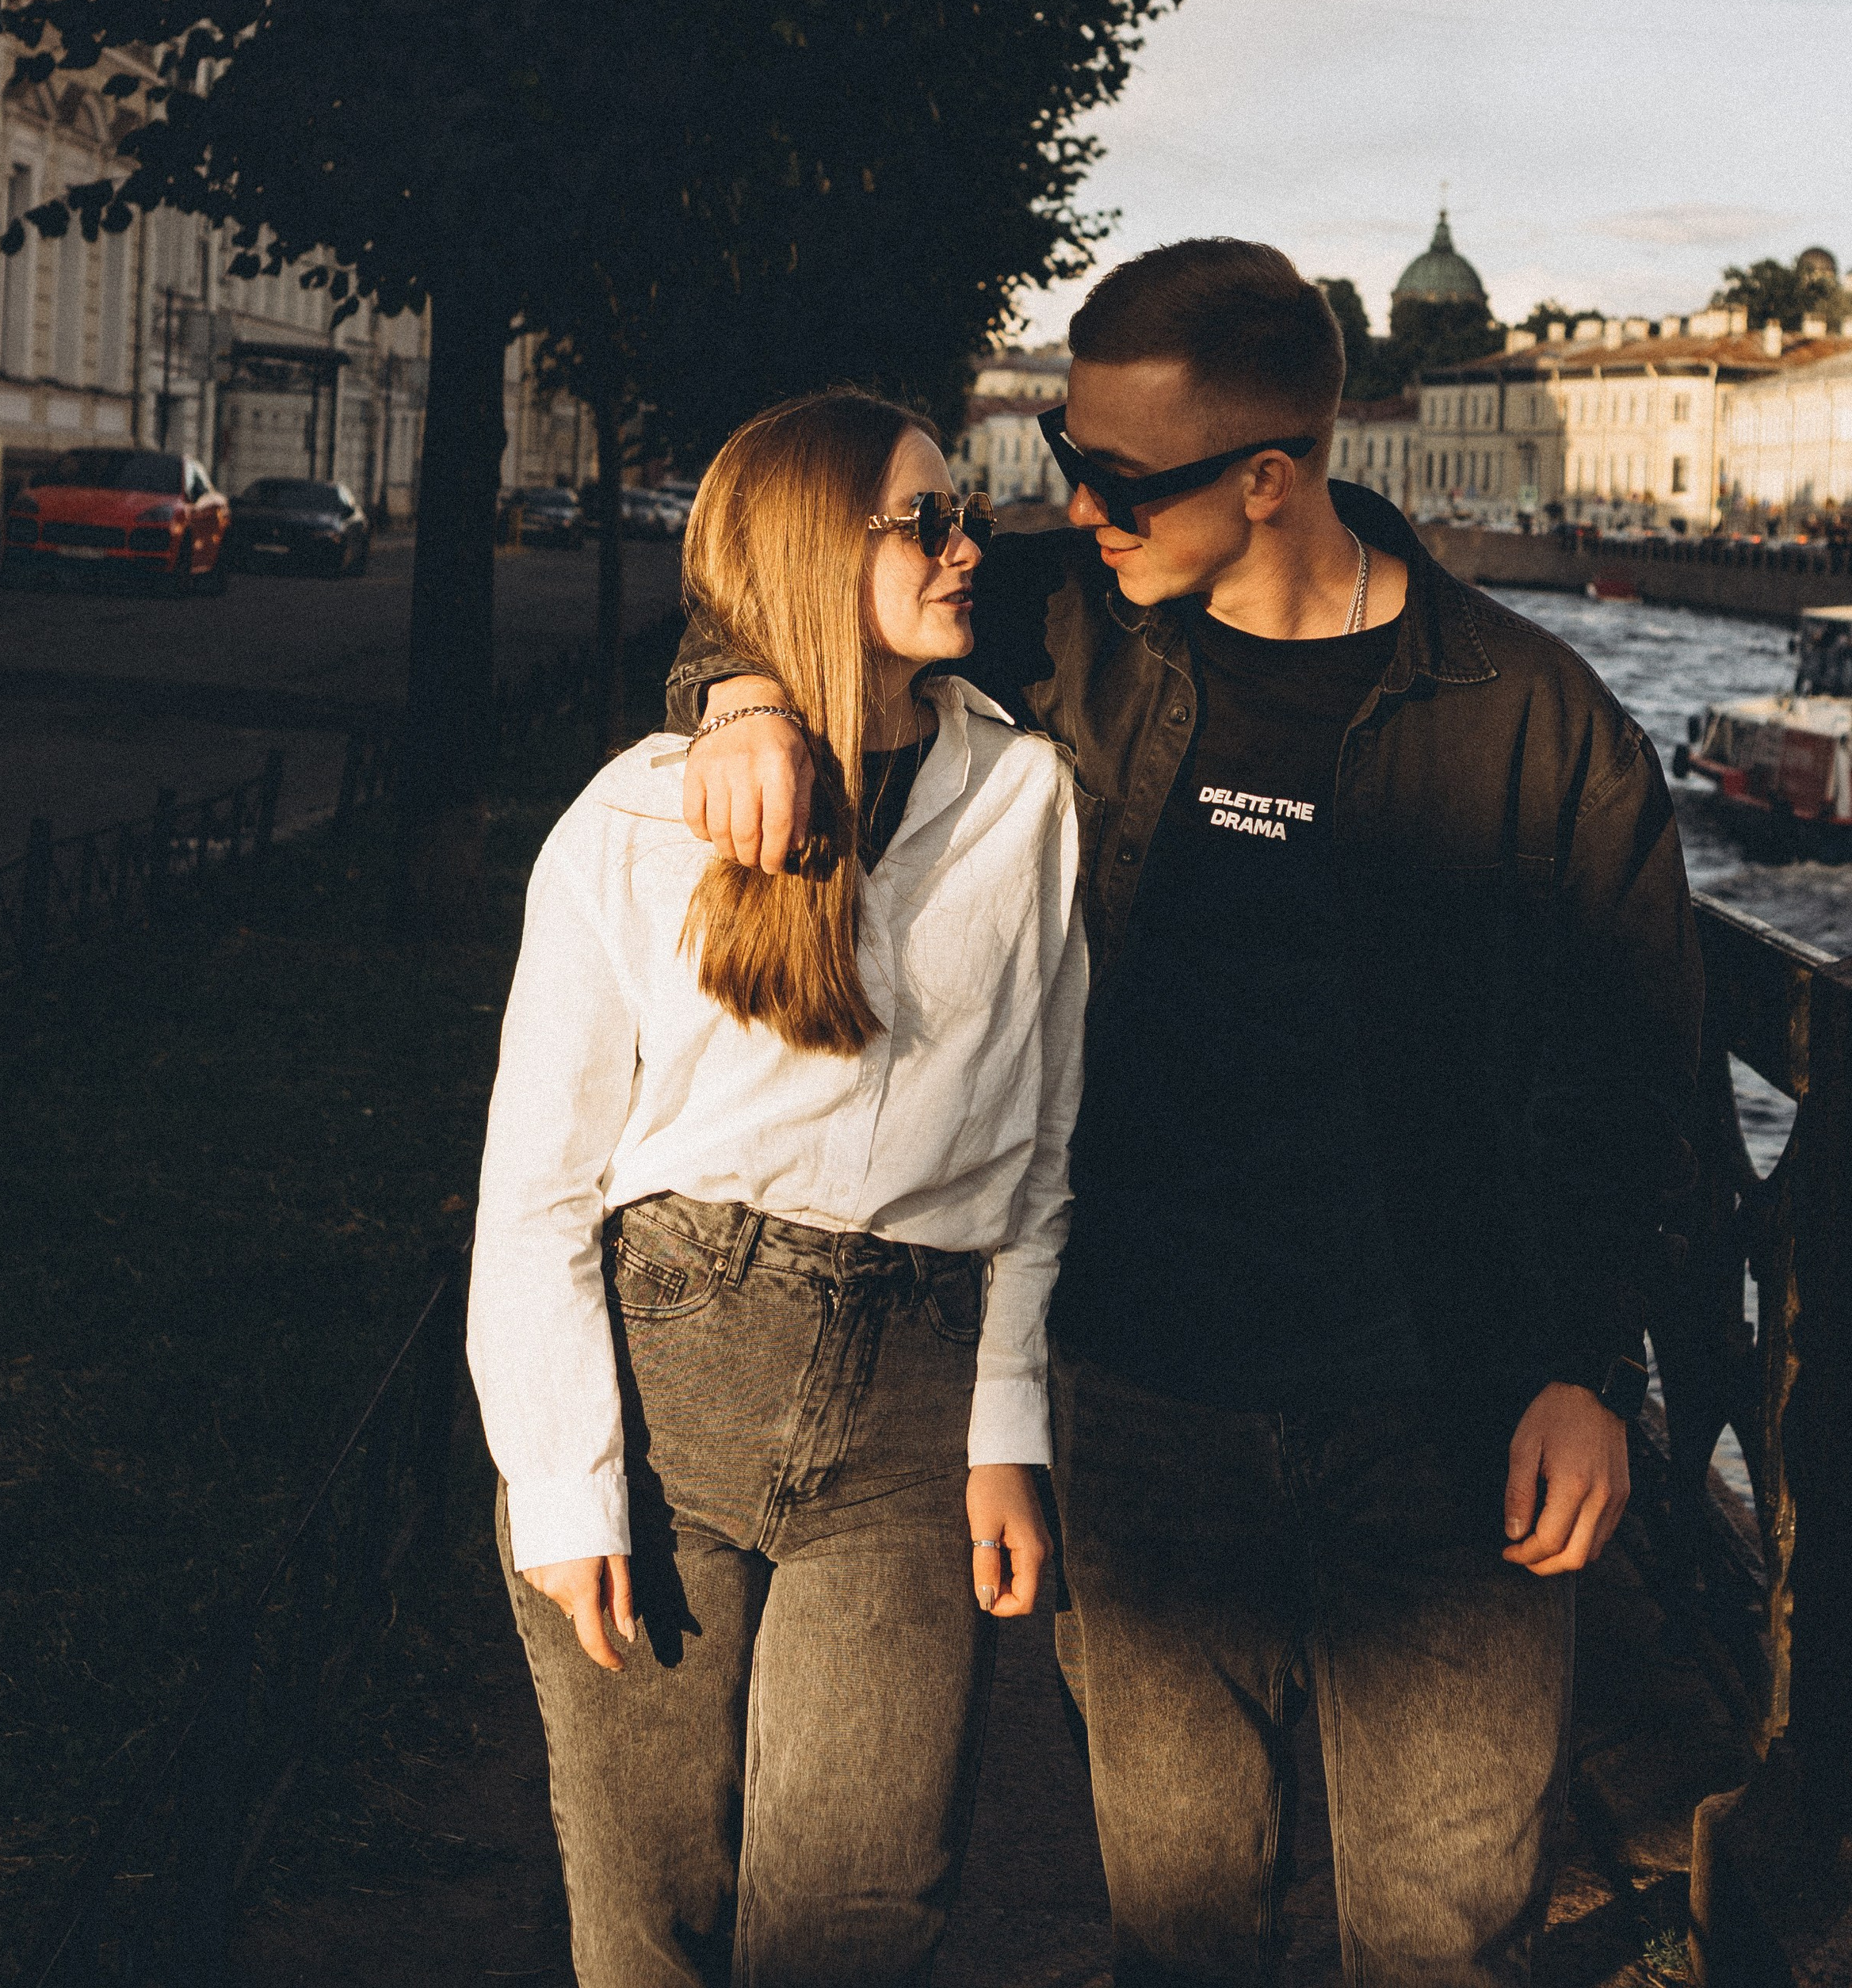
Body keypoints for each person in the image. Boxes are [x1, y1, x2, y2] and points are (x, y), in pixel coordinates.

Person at [671, 241, 1703, 1988]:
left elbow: (1634, 1076)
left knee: (1441, 1939)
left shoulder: (1534, 720)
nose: (1072, 508)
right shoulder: (1072, 634)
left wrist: (1585, 1373)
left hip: (1442, 1428)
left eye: (1115, 478)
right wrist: (742, 697)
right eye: (1067, 461)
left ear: (1269, 478)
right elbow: (770, 587)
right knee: (1176, 1931)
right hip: (1143, 1400)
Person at [468, 387, 1088, 1988]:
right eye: (927, 522)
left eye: (966, 516)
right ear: (820, 552)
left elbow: (1035, 1148)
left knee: (858, 1922)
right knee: (646, 1923)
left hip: (909, 1416)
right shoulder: (630, 818)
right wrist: (559, 1485)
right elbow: (534, 1194)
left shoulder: (1023, 803)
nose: (971, 550)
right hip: (664, 1380)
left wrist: (1005, 1428)